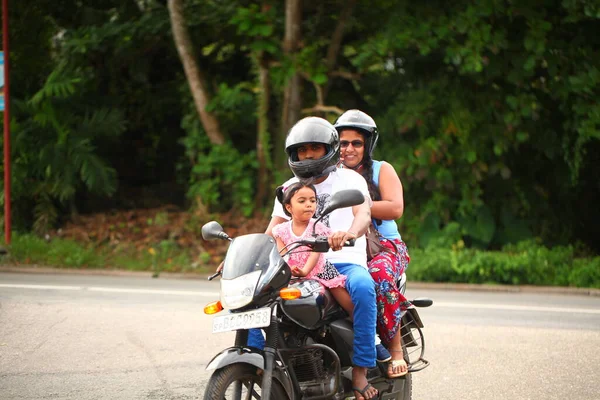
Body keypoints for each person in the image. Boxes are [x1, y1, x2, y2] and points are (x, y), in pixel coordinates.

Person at [265, 116, 379, 400]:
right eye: (302, 150)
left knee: (364, 290)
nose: (307, 156)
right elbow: (271, 231)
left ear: (328, 149)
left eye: (314, 148)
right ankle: (258, 363)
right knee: (260, 299)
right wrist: (241, 256)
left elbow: (363, 213)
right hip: (297, 264)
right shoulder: (287, 187)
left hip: (343, 259)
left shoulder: (350, 179)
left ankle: (361, 372)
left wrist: (349, 234)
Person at [334, 109, 412, 379]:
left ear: (367, 145)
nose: (349, 149)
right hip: (347, 246)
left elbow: (395, 207)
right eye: (343, 143)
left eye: (356, 143)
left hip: (385, 246)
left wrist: (361, 205)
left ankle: (395, 349)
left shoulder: (381, 169)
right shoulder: (331, 174)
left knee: (377, 276)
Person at [272, 182, 354, 316]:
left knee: (339, 292)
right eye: (302, 201)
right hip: (293, 272)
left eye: (313, 200)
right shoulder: (281, 230)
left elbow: (316, 253)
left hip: (319, 269)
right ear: (289, 207)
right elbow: (283, 254)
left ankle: (357, 320)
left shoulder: (318, 227)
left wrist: (304, 271)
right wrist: (288, 270)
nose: (309, 204)